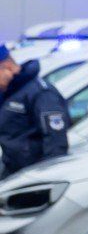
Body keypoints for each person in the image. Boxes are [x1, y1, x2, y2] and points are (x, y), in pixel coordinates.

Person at [0, 48, 67, 178]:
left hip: (34, 177)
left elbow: (56, 142)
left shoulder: (40, 93)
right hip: (12, 171)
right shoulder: (9, 92)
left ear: (7, 67)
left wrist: (46, 180)